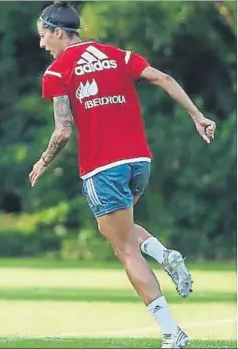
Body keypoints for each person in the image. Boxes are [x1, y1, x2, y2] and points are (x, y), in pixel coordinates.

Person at [28, 2, 216, 348]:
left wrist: (43, 161)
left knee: (124, 248)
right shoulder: (117, 54)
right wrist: (197, 116)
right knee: (125, 228)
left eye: (43, 36)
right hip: (139, 161)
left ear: (58, 32)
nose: (42, 44)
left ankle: (171, 331)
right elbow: (164, 78)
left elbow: (63, 132)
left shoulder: (57, 71)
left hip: (103, 167)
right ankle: (164, 255)